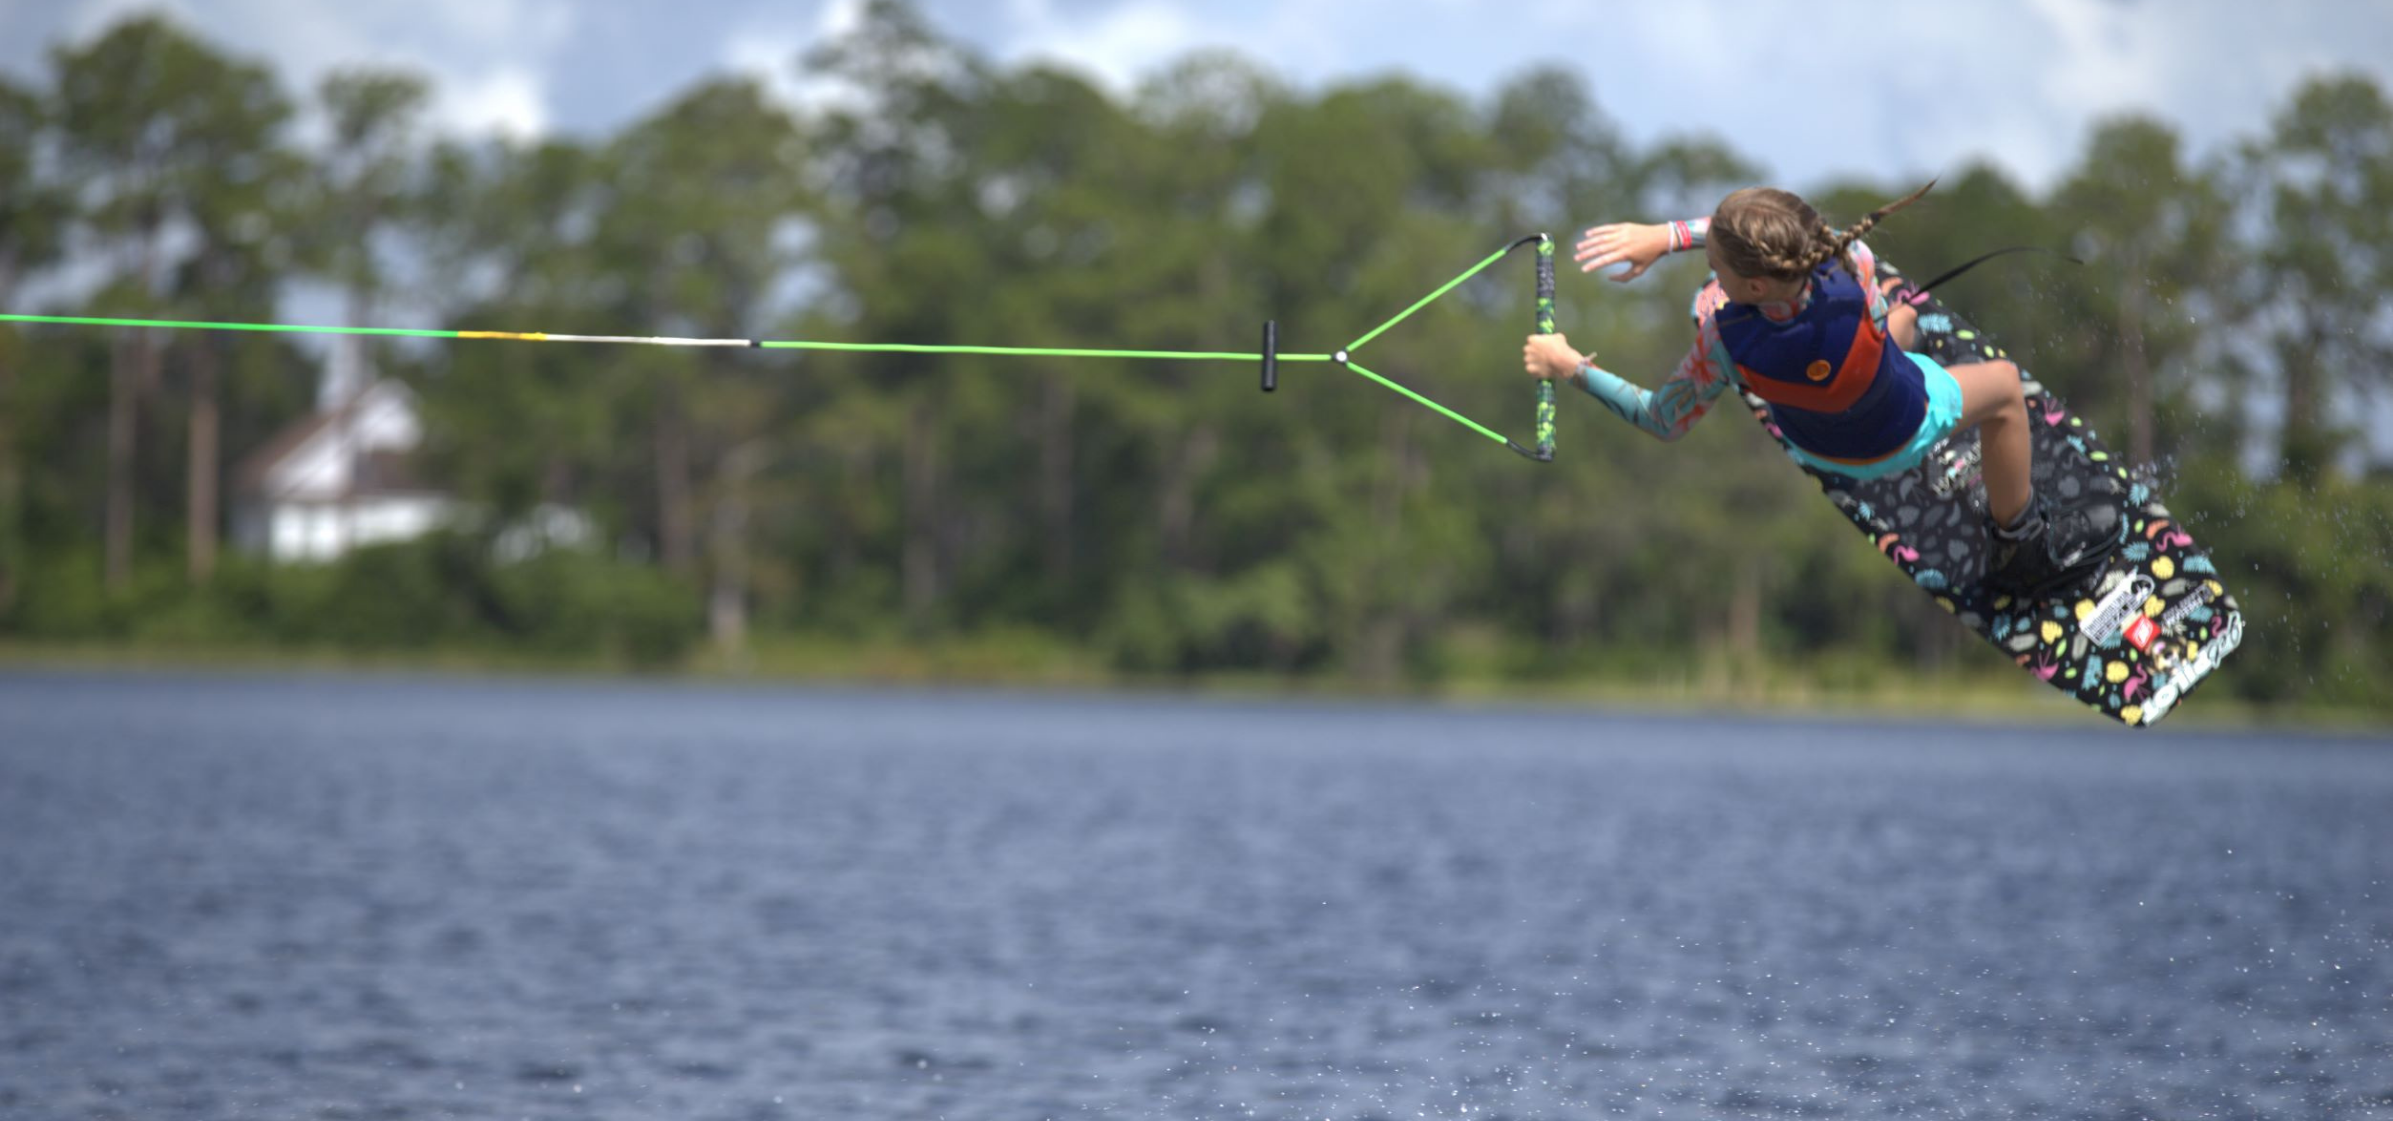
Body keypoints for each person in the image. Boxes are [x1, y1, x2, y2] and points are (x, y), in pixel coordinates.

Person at [1521, 184, 2120, 600]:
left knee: (1718, 308)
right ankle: (2018, 536)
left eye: (1717, 263)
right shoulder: (1850, 263)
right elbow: (1837, 281)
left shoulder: (1719, 342)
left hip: (1818, 449)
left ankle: (2018, 546)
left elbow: (1661, 420)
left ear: (1754, 284)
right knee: (2001, 387)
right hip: (1903, 422)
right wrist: (1674, 235)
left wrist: (1569, 365)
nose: (1710, 263)